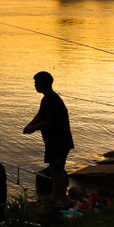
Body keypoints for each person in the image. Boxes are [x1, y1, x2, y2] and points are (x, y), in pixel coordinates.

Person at [23, 71, 73, 206]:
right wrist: (30, 124)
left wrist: (33, 128)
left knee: (58, 170)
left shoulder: (53, 100)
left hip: (60, 141)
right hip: (53, 142)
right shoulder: (47, 99)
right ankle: (55, 198)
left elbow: (48, 122)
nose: (34, 85)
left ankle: (62, 198)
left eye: (36, 83)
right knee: (55, 169)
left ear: (42, 84)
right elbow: (40, 115)